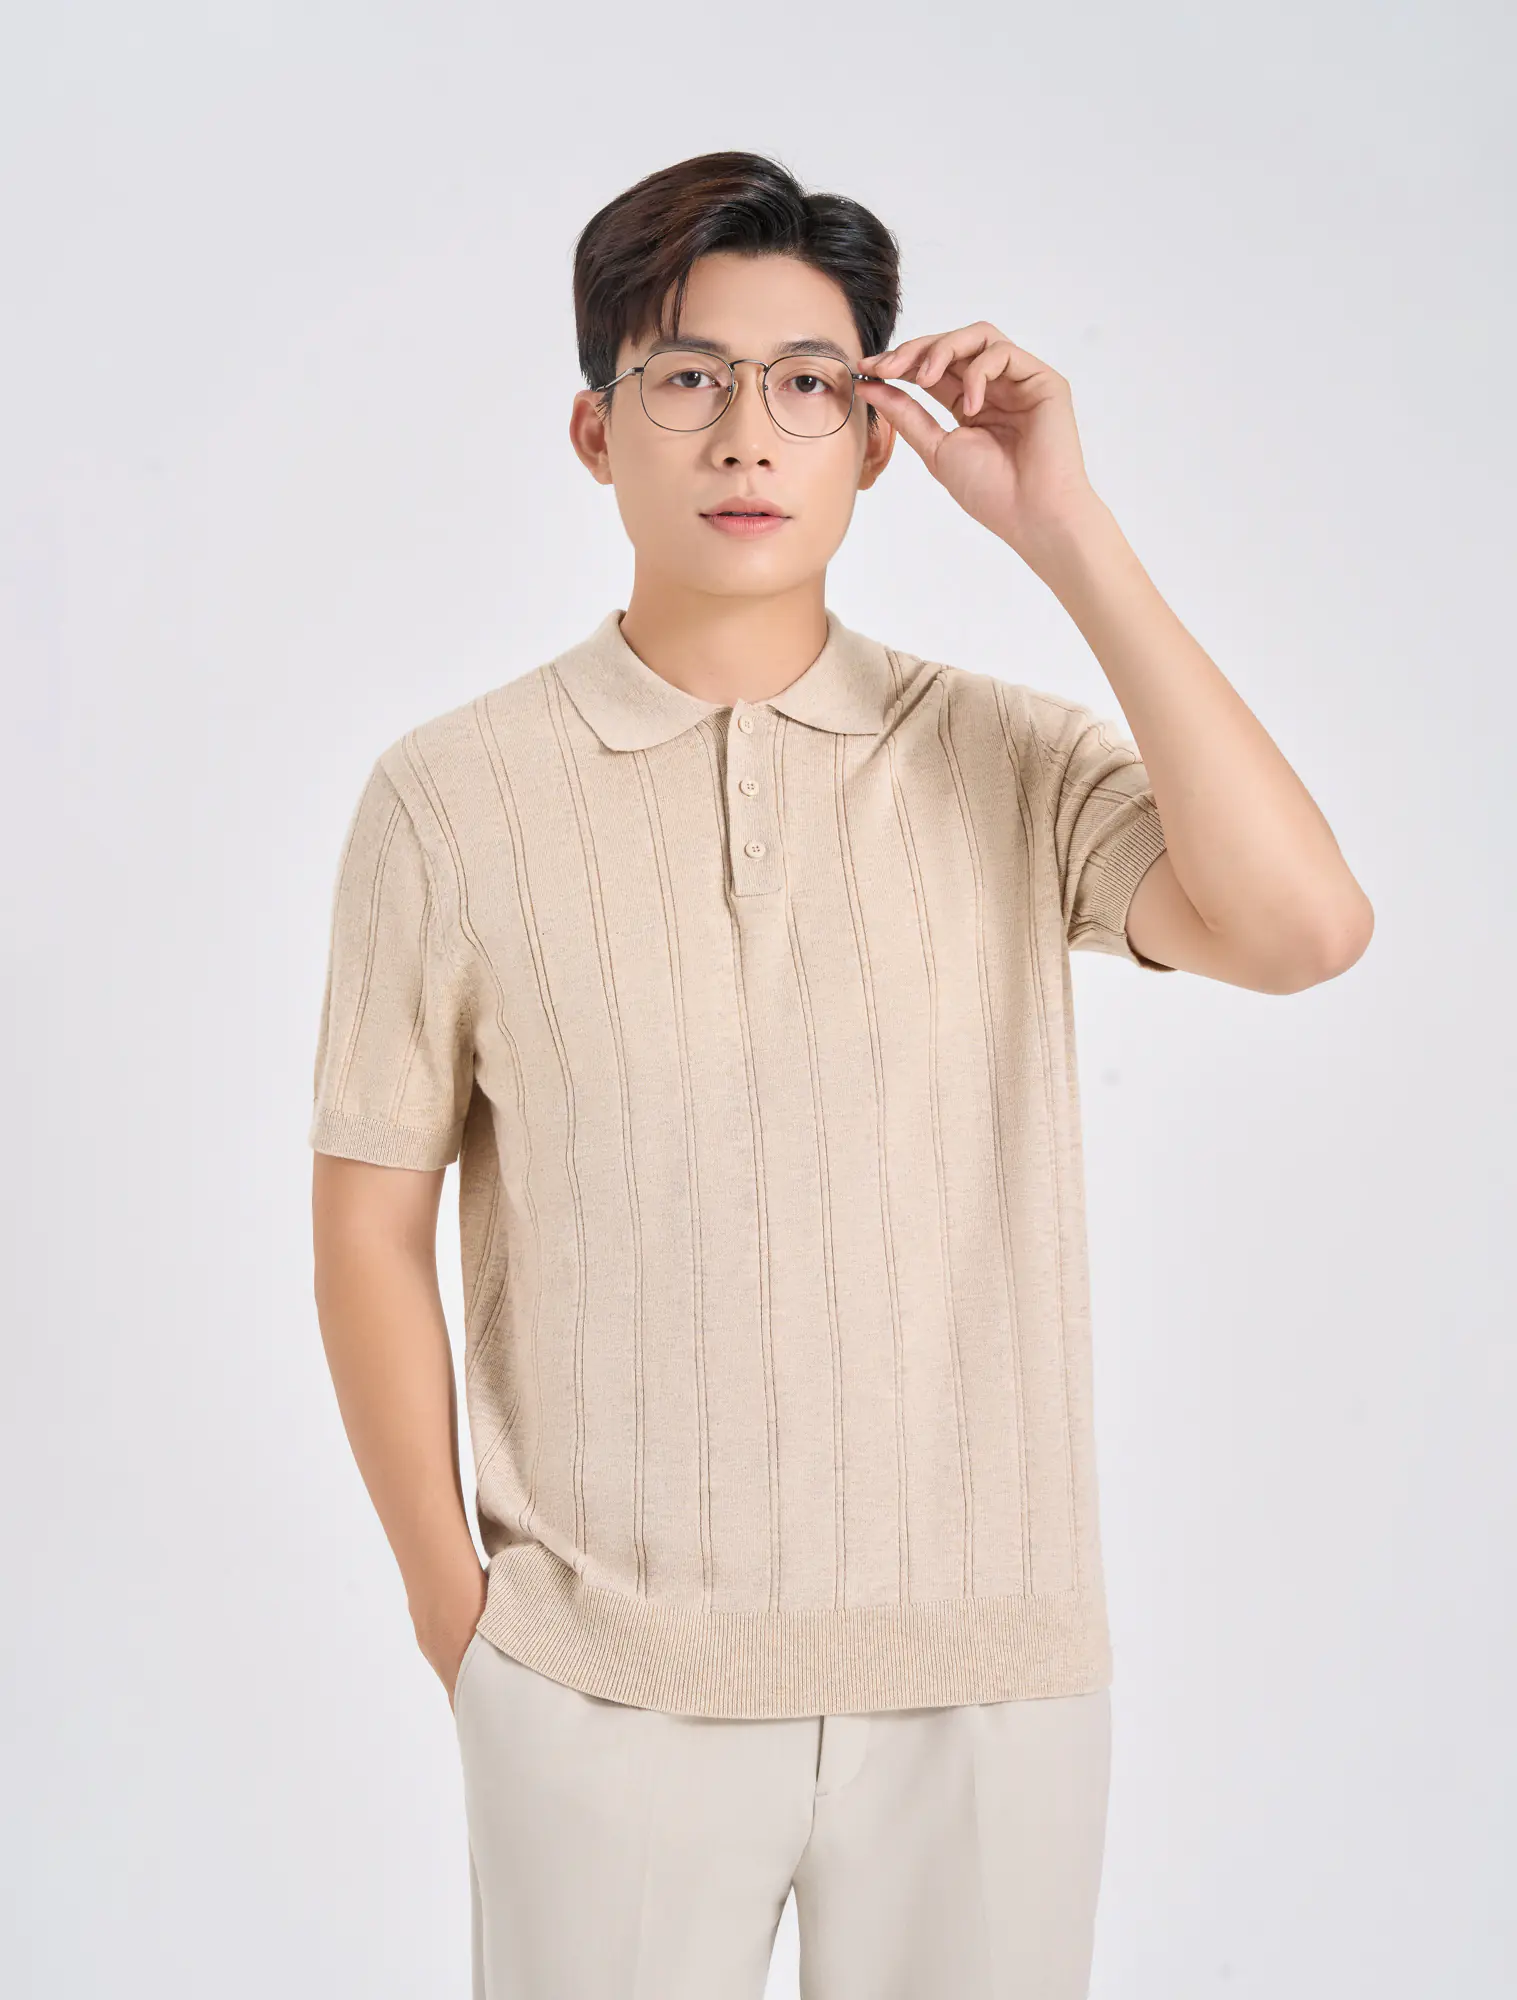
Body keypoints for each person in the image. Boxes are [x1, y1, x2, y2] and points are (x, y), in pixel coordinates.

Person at [307, 150, 1373, 2000]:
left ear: (877, 437)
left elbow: (1304, 929)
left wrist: (1064, 529)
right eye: (688, 378)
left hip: (986, 1686)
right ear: (596, 430)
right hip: (607, 1683)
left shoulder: (1002, 759)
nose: (747, 435)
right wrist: (458, 1620)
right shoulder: (452, 799)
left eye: (807, 382)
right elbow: (368, 1216)